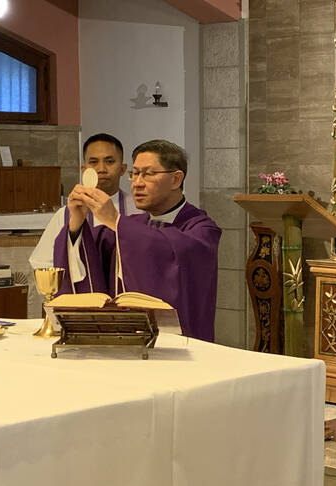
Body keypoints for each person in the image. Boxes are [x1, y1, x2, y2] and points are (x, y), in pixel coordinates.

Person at [54, 139, 221, 342]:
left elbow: (172, 249)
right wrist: (77, 222)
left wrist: (116, 221)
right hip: (122, 345)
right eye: (134, 174)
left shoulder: (201, 229)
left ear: (176, 180)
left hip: (178, 350)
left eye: (148, 174)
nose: (137, 183)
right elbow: (88, 257)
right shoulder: (133, 224)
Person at [29, 133, 140, 269]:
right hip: (84, 290)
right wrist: (74, 231)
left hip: (126, 290)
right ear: (83, 170)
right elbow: (42, 263)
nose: (101, 169)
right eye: (93, 162)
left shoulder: (139, 209)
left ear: (123, 169)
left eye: (109, 162)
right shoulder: (66, 214)